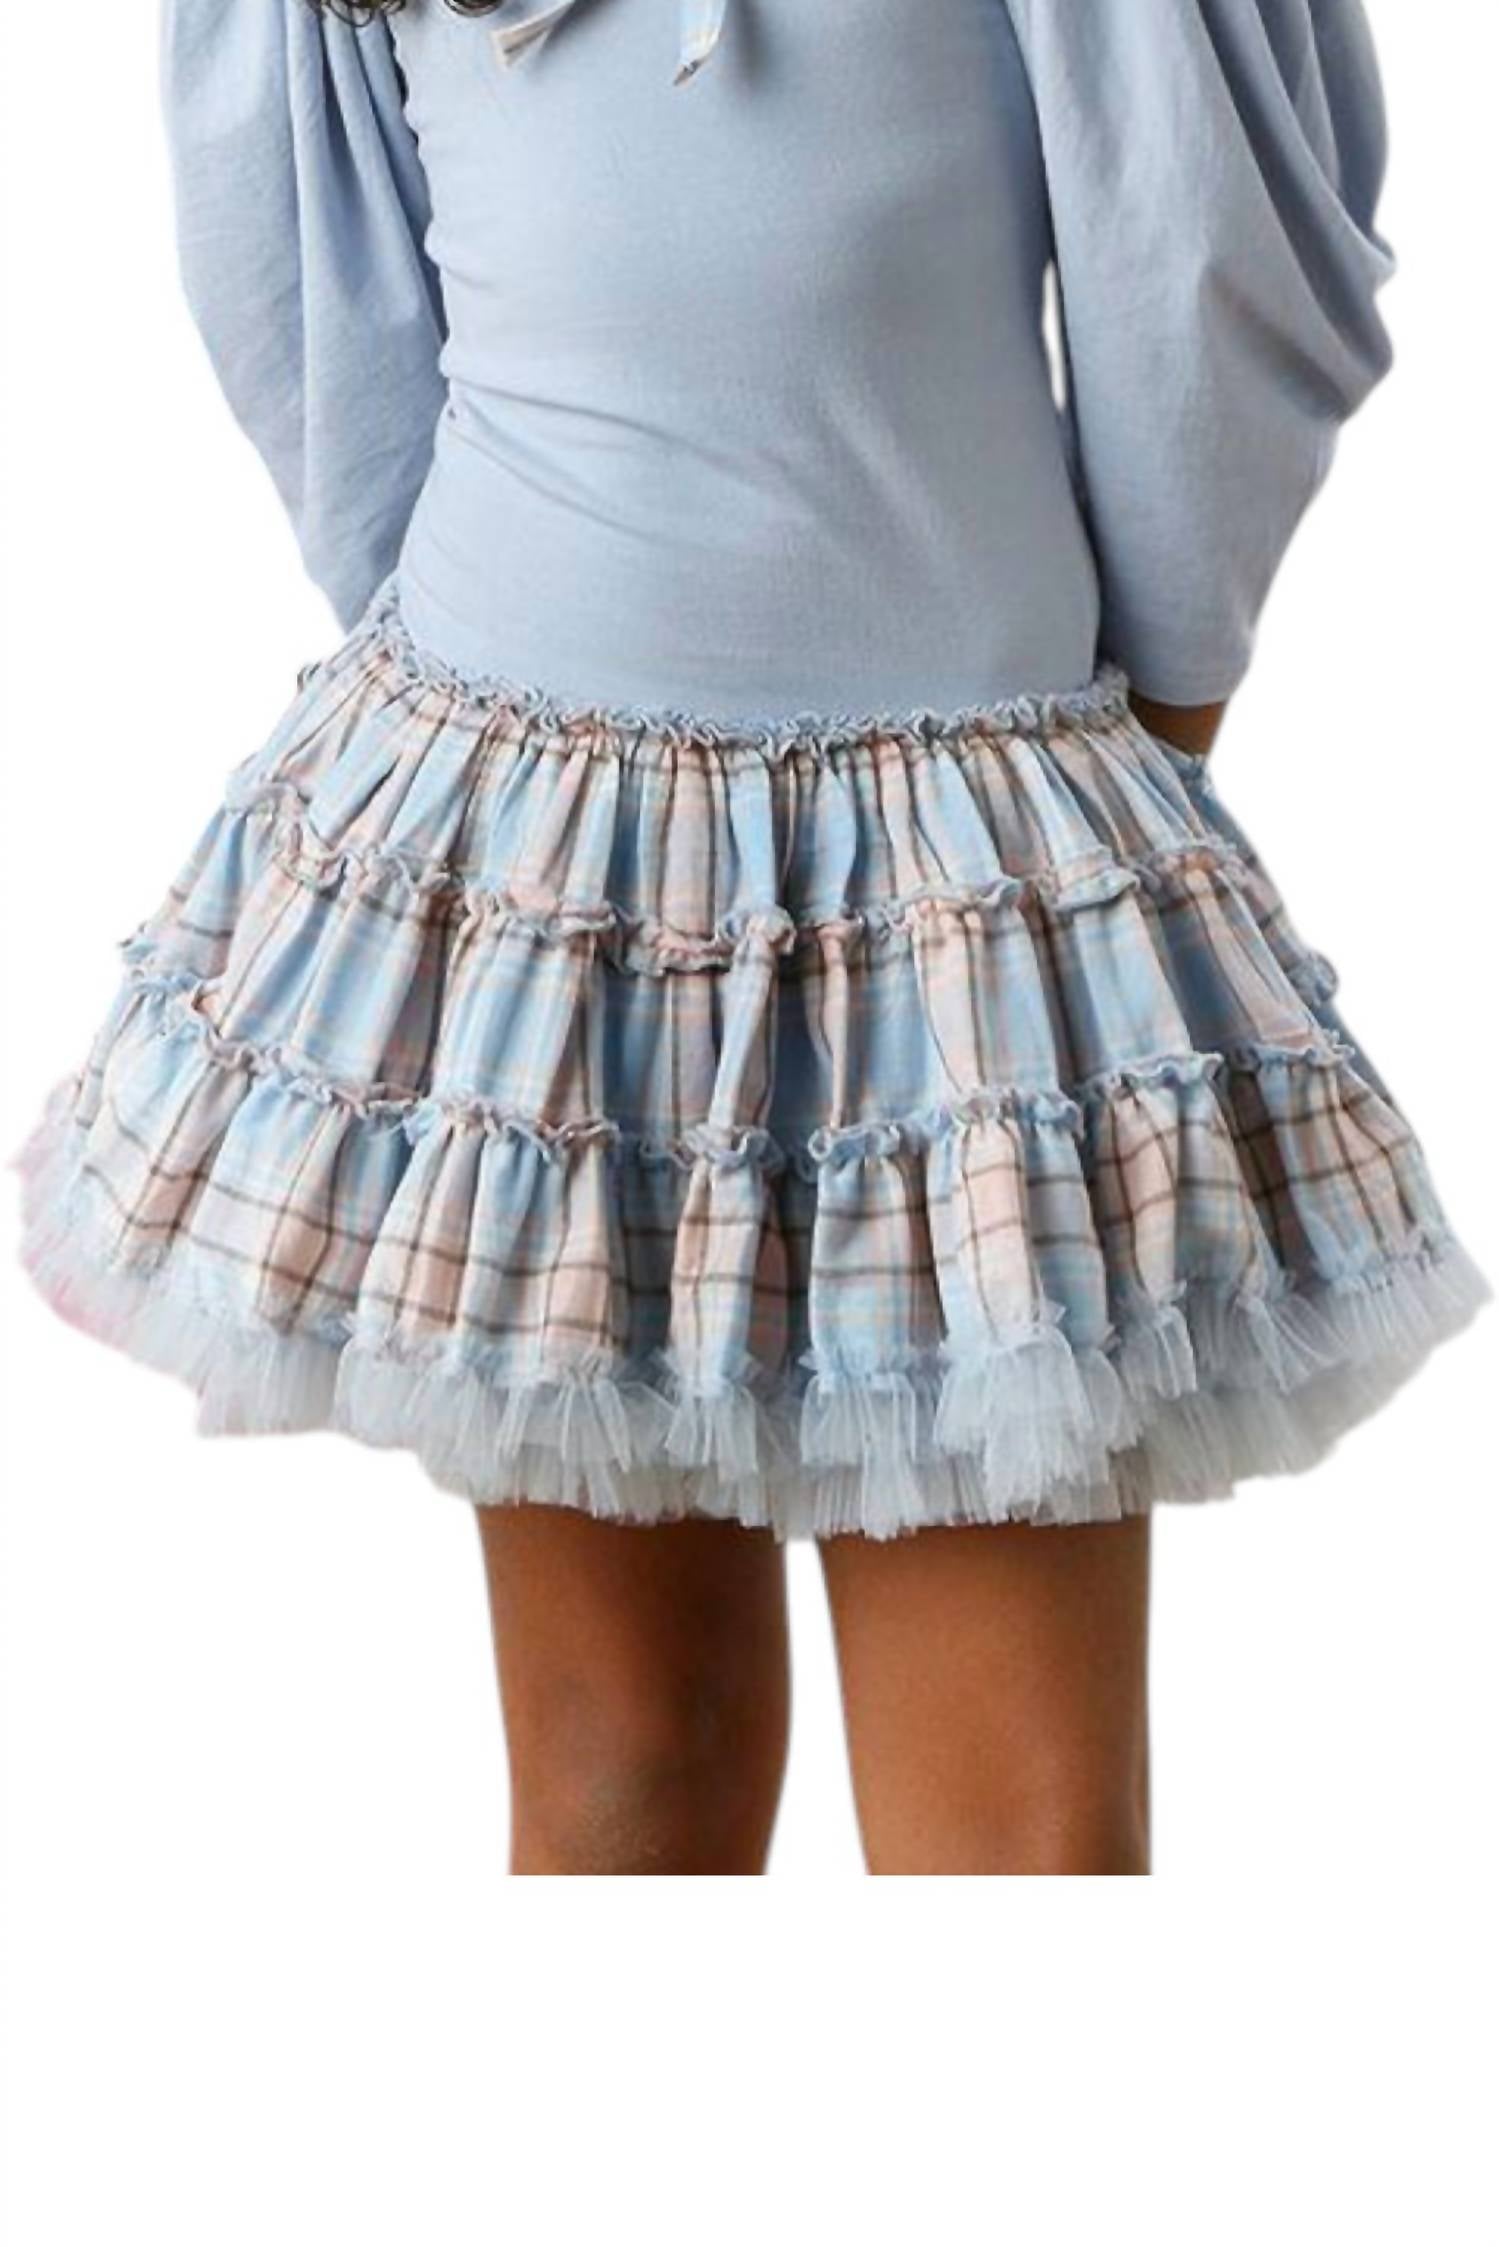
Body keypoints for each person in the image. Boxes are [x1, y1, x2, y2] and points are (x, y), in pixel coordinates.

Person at [14, 0, 1489, 1874]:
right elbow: (315, 289)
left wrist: (1094, 768)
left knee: (1005, 1830)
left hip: (938, 863)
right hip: (550, 866)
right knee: (636, 1753)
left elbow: (1202, 241)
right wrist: (497, 807)